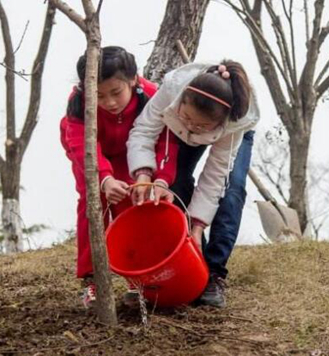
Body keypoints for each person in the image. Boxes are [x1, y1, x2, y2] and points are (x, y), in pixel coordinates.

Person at [127, 61, 259, 308]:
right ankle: (184, 262)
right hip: (175, 130)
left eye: (200, 125)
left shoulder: (234, 124)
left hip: (232, 134)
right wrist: (144, 173)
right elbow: (144, 131)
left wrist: (198, 225)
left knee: (231, 193)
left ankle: (215, 274)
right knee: (174, 185)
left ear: (219, 123)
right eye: (187, 117)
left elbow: (214, 177)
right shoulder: (171, 92)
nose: (192, 125)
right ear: (182, 101)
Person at [60, 46, 178, 309]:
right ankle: (93, 281)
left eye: (116, 92)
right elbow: (80, 143)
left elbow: (165, 143)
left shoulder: (152, 97)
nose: (110, 102)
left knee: (133, 207)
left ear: (133, 80)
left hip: (134, 154)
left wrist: (158, 178)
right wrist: (104, 179)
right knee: (93, 206)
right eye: (99, 96)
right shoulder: (78, 102)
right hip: (91, 155)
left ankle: (137, 279)